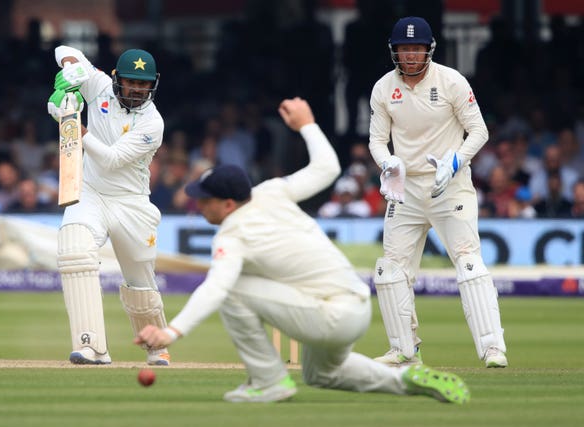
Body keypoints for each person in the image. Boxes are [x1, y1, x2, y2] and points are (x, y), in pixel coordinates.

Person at [134, 98, 470, 404]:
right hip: (351, 305)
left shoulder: (232, 235)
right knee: (322, 374)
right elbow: (327, 168)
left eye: (204, 200)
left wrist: (170, 333)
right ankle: (407, 379)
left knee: (233, 289)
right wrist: (307, 124)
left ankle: (269, 381)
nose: (199, 204)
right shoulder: (272, 191)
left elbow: (216, 288)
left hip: (330, 314)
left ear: (227, 203)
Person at [368, 17, 508, 368]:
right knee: (389, 269)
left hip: (450, 184)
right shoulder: (384, 89)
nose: (410, 55)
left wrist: (455, 162)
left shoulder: (451, 81)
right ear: (394, 51)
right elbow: (376, 140)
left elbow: (479, 130)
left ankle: (493, 348)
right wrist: (390, 165)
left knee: (469, 261)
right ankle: (404, 350)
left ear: (428, 49)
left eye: (416, 48)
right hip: (406, 190)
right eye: (404, 49)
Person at [46, 45, 170, 365]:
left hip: (131, 203)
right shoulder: (99, 86)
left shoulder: (152, 123)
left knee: (140, 280)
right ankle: (92, 346)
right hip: (90, 192)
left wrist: (70, 120)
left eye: (144, 84)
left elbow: (113, 159)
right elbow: (63, 49)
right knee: (74, 248)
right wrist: (71, 70)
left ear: (152, 84)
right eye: (132, 82)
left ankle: (157, 345)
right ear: (117, 80)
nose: (138, 89)